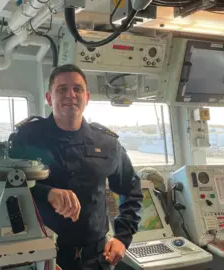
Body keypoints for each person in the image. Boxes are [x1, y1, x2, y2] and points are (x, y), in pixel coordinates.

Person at [8, 64, 143, 270]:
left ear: (87, 97)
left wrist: (122, 238)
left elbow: (131, 190)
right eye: (62, 89)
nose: (70, 95)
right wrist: (46, 193)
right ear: (49, 98)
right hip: (42, 257)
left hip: (97, 259)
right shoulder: (26, 138)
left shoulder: (107, 143)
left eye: (77, 89)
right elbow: (6, 187)